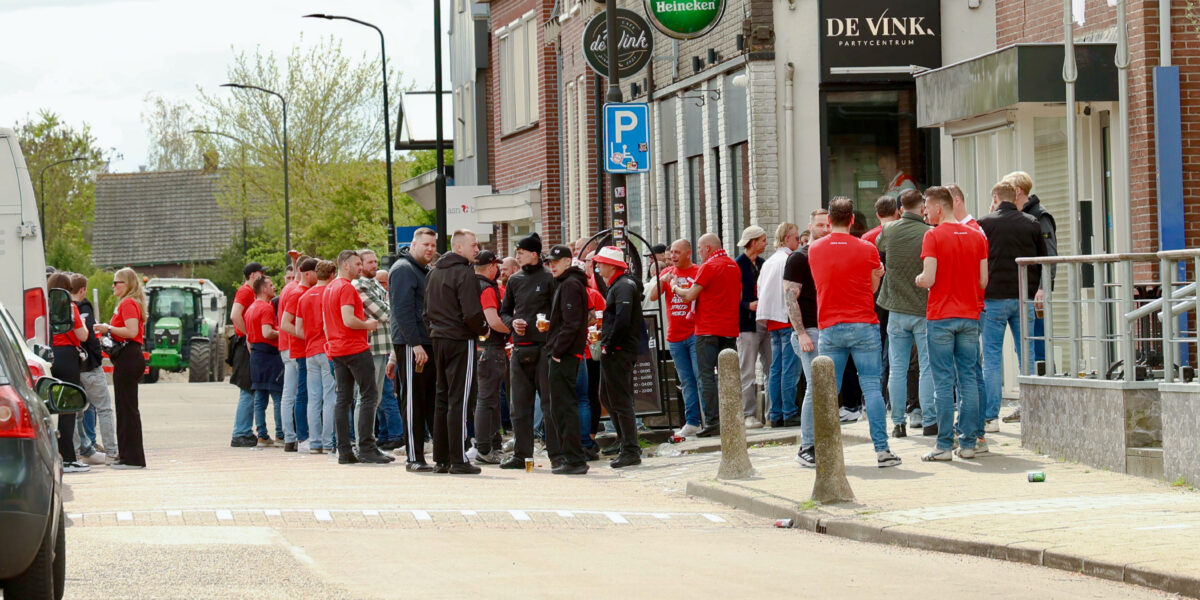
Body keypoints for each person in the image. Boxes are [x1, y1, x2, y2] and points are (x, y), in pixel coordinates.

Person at [807, 197, 902, 469]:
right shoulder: (866, 248)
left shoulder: (814, 249)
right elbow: (872, 289)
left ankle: (823, 450)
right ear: (851, 220)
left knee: (827, 391)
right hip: (863, 323)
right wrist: (878, 274)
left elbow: (821, 283)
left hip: (830, 325)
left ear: (831, 220)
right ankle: (882, 451)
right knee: (871, 387)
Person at [916, 186, 989, 461]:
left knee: (943, 382)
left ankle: (944, 445)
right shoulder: (976, 236)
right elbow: (983, 282)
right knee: (969, 378)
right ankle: (969, 443)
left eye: (927, 205)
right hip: (969, 314)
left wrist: (919, 279)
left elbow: (930, 278)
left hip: (941, 317)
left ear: (938, 207)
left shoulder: (932, 236)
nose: (925, 211)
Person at [977, 181, 1046, 432]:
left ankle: (991, 418)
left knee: (992, 359)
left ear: (995, 198)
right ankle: (1030, 413)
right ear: (1014, 197)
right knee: (1026, 356)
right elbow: (1041, 261)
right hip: (1022, 297)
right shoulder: (1031, 223)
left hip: (993, 298)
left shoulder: (984, 223)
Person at [424, 229, 489, 474]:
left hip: (439, 339)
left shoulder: (433, 273)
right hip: (460, 339)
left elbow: (425, 311)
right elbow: (472, 312)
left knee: (442, 397)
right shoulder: (465, 273)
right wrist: (484, 329)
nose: (477, 249)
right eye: (474, 245)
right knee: (460, 399)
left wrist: (434, 330)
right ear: (459, 248)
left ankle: (442, 458)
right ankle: (458, 458)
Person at [876, 189, 935, 438]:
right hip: (923, 308)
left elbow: (880, 245)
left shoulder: (889, 230)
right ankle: (930, 419)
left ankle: (898, 423)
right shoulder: (929, 233)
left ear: (900, 208)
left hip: (896, 309)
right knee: (926, 367)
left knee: (897, 368)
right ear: (922, 207)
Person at [498, 233, 559, 469]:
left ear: (534, 254)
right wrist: (513, 322)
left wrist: (550, 325)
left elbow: (559, 312)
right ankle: (521, 455)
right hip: (520, 348)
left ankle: (556, 454)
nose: (517, 254)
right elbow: (505, 312)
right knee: (519, 406)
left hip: (544, 348)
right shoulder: (514, 280)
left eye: (521, 251)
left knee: (549, 404)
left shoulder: (550, 278)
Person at [671, 233, 740, 438]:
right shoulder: (732, 265)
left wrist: (675, 287)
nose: (699, 253)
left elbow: (690, 295)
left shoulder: (709, 266)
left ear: (708, 248)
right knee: (728, 375)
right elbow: (740, 295)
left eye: (700, 249)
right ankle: (732, 418)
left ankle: (712, 421)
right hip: (729, 329)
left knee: (706, 376)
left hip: (708, 328)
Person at [1001, 170, 1058, 423]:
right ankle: (1031, 404)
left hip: (1035, 295)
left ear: (1018, 192)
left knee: (1037, 347)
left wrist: (1044, 287)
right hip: (1023, 294)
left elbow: (1050, 254)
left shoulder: (1039, 217)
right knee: (1024, 347)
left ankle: (1045, 404)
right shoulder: (1022, 217)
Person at [325, 250, 391, 465]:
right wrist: (367, 324)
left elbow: (328, 323)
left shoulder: (329, 288)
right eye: (356, 264)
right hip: (354, 347)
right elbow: (348, 319)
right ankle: (366, 447)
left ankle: (344, 449)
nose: (360, 268)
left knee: (343, 399)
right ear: (345, 265)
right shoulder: (345, 287)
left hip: (337, 349)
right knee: (369, 395)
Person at [784, 209, 832, 467]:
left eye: (829, 225)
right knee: (814, 387)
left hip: (830, 328)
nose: (825, 229)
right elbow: (790, 297)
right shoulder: (799, 258)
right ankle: (807, 445)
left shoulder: (831, 253)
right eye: (821, 225)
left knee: (826, 389)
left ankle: (822, 442)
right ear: (811, 226)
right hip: (810, 331)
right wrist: (801, 333)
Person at [389, 229, 438, 471]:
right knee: (413, 402)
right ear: (414, 244)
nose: (430, 249)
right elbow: (402, 310)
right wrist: (415, 343)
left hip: (427, 343)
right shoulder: (403, 270)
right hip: (413, 345)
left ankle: (436, 455)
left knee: (429, 400)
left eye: (433, 245)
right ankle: (414, 458)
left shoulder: (423, 270)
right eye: (425, 244)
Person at [594, 246, 644, 468]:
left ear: (612, 265)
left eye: (601, 262)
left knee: (619, 400)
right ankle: (626, 442)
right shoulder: (622, 285)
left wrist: (609, 344)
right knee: (608, 396)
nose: (597, 266)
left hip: (619, 350)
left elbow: (622, 319)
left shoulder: (622, 287)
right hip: (618, 349)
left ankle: (630, 448)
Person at [647, 239, 702, 437]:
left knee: (700, 377)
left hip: (695, 332)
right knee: (686, 380)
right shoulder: (667, 273)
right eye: (672, 253)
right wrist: (662, 281)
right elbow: (653, 296)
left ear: (688, 253)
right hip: (675, 336)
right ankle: (692, 422)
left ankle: (708, 420)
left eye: (678, 252)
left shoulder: (697, 271)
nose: (673, 256)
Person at [93, 267, 147, 469]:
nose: (114, 286)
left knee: (127, 409)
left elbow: (131, 331)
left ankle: (132, 458)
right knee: (125, 408)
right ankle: (126, 454)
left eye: (118, 282)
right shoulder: (129, 303)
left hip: (128, 356)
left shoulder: (128, 303)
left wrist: (109, 328)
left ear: (128, 284)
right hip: (128, 357)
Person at [544, 245, 590, 474]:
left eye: (556, 261)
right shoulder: (569, 283)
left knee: (564, 406)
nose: (552, 265)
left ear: (568, 261)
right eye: (550, 261)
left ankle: (574, 459)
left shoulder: (570, 284)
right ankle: (571, 457)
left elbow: (571, 323)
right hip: (566, 353)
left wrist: (557, 352)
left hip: (565, 355)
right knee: (562, 406)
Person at [756, 222, 802, 428]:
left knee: (776, 369)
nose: (799, 241)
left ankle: (775, 413)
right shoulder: (789, 259)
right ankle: (789, 411)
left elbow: (760, 288)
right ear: (787, 239)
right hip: (785, 316)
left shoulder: (768, 262)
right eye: (796, 237)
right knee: (789, 368)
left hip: (771, 318)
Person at [70, 273, 118, 465]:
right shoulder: (85, 308)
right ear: (82, 290)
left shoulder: (60, 307)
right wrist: (97, 356)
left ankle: (75, 453)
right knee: (104, 408)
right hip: (89, 366)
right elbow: (89, 336)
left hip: (71, 367)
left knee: (74, 412)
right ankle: (112, 452)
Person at [352, 250, 395, 450]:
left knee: (375, 398)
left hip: (383, 346)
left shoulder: (375, 283)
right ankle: (363, 443)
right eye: (370, 262)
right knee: (366, 397)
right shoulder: (359, 285)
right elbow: (384, 313)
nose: (374, 265)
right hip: (370, 347)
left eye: (376, 261)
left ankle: (368, 440)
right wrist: (390, 306)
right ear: (359, 264)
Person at [472, 250, 511, 464]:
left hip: (477, 347)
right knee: (488, 400)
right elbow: (493, 320)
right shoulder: (486, 288)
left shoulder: (469, 285)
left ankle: (490, 446)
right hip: (491, 348)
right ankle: (485, 448)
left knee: (488, 399)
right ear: (491, 267)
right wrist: (514, 329)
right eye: (496, 265)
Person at [48, 273, 90, 472]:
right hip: (67, 356)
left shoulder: (44, 306)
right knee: (68, 406)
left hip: (48, 355)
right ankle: (68, 458)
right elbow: (82, 335)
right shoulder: (70, 307)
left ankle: (52, 454)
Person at [296, 260, 337, 454]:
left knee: (313, 398)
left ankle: (315, 441)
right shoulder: (330, 293)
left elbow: (298, 328)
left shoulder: (304, 297)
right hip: (327, 349)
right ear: (332, 275)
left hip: (309, 350)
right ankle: (328, 441)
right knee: (330, 397)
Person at [735, 226, 771, 429]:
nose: (766, 243)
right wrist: (747, 305)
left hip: (764, 320)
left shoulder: (763, 264)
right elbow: (730, 297)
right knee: (747, 369)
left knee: (770, 366)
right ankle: (748, 414)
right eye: (763, 240)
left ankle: (771, 412)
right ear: (753, 242)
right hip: (746, 323)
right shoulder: (737, 266)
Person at [244, 276, 285, 445]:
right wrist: (283, 333)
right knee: (277, 395)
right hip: (269, 354)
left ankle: (261, 434)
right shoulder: (266, 308)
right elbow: (267, 332)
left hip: (255, 353)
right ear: (263, 289)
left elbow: (248, 337)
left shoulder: (250, 309)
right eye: (270, 285)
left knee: (260, 396)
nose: (274, 287)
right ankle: (280, 434)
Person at [278, 256, 313, 452]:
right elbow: (288, 321)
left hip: (286, 344)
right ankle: (296, 436)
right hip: (295, 345)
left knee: (289, 393)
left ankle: (290, 436)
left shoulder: (287, 288)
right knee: (298, 393)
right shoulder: (296, 291)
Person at [229, 262, 265, 447]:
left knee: (249, 389)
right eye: (261, 273)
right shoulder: (245, 291)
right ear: (252, 275)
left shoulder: (249, 292)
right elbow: (235, 315)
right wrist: (249, 334)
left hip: (246, 342)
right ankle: (241, 432)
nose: (263, 276)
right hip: (245, 343)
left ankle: (243, 431)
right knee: (248, 389)